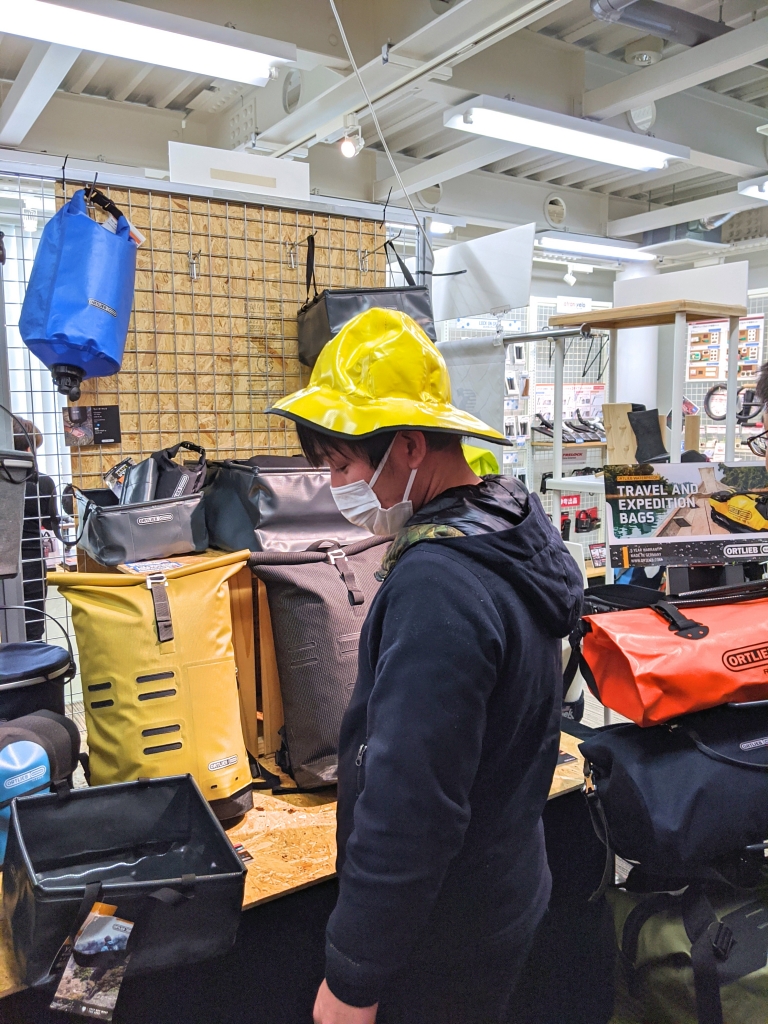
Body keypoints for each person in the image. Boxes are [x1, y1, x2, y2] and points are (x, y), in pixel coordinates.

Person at [269, 309, 583, 1024]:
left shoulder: (439, 583)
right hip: (504, 883)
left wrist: (352, 980)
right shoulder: (507, 525)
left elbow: (411, 809)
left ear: (409, 446)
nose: (334, 485)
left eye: (342, 464)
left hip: (442, 935)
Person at [13, 418, 61, 641]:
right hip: (31, 567)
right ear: (28, 449)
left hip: (15, 563)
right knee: (33, 634)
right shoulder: (42, 483)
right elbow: (51, 526)